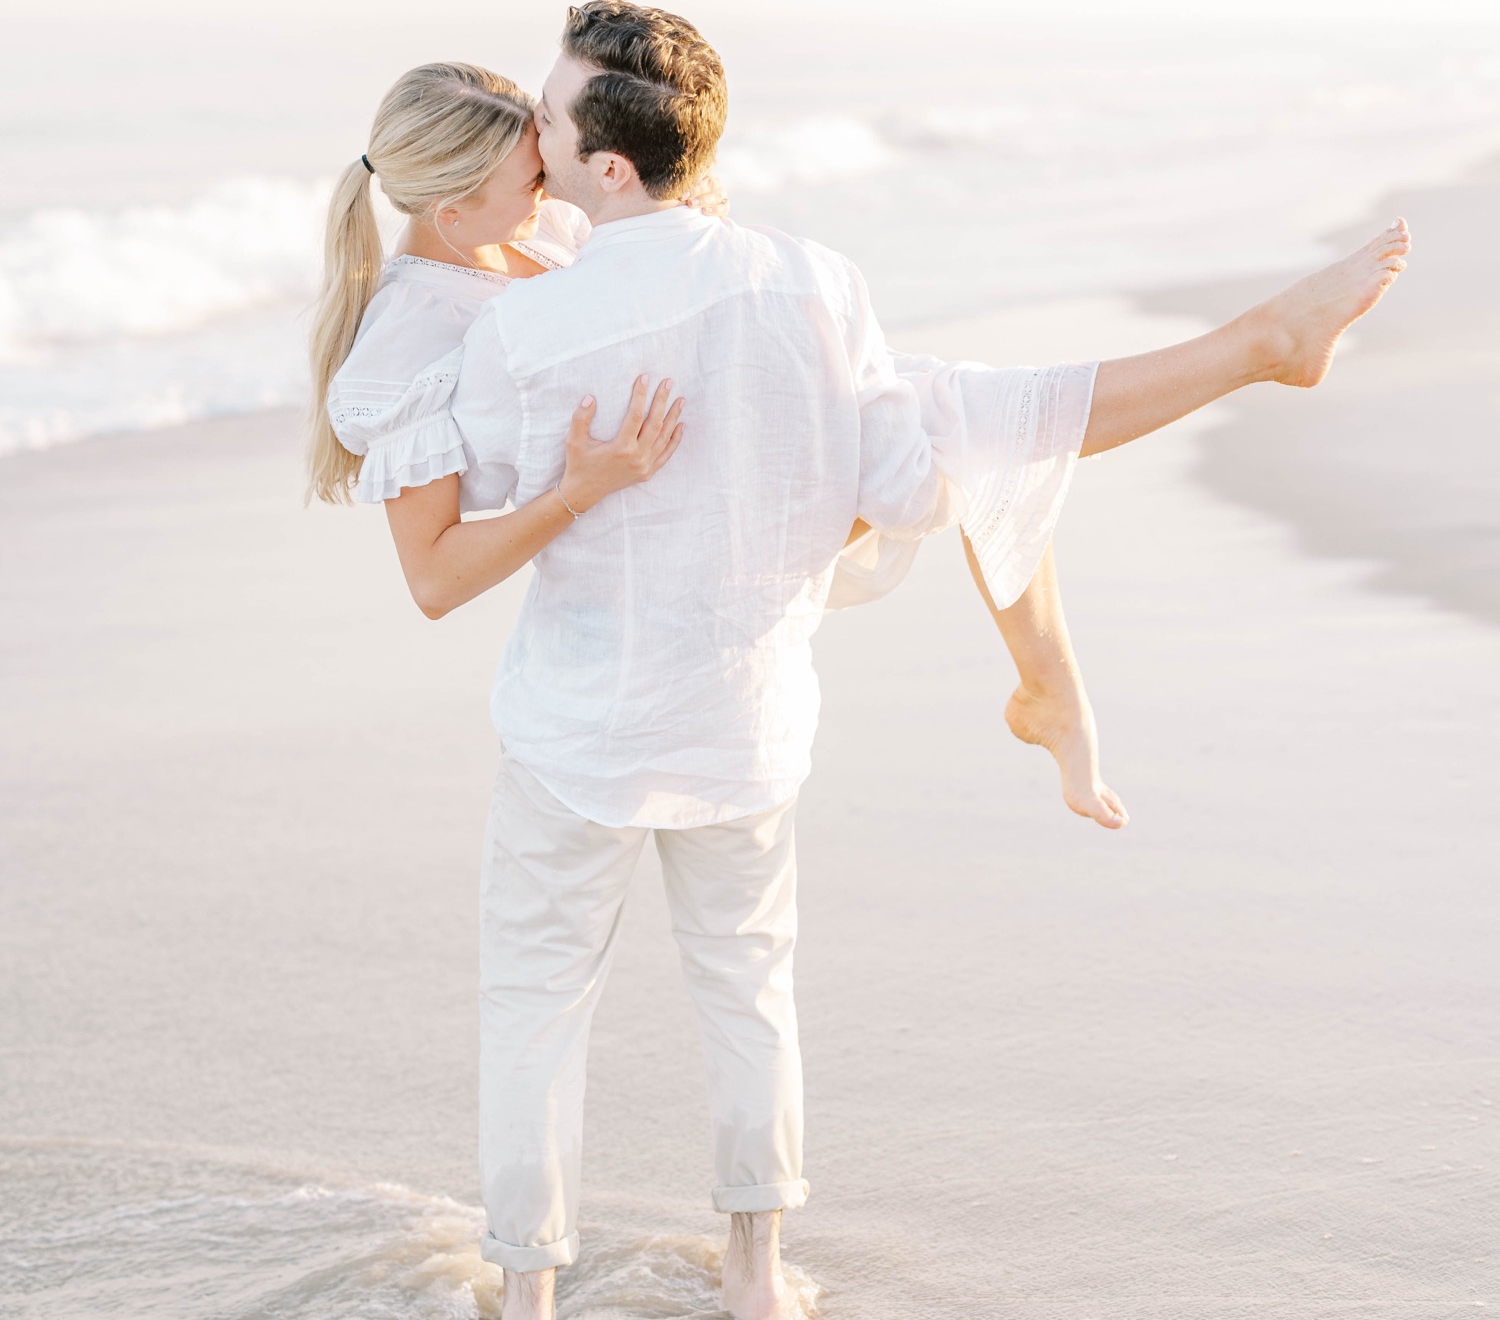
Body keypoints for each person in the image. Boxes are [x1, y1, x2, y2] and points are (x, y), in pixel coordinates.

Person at [330, 0, 1406, 1320]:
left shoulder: (514, 337)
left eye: (547, 116)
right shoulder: (814, 280)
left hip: (578, 734)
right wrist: (794, 492)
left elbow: (455, 522)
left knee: (537, 1006)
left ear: (606, 168)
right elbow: (901, 486)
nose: (530, 138)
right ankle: (760, 1282)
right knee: (752, 990)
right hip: (748, 722)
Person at [308, 62, 1127, 827]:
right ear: (451, 211)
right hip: (645, 540)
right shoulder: (405, 346)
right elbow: (434, 581)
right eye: (531, 178)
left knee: (951, 406)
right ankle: (1047, 675)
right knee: (944, 419)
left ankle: (1050, 684)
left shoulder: (537, 228)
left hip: (699, 455)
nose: (549, 183)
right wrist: (577, 490)